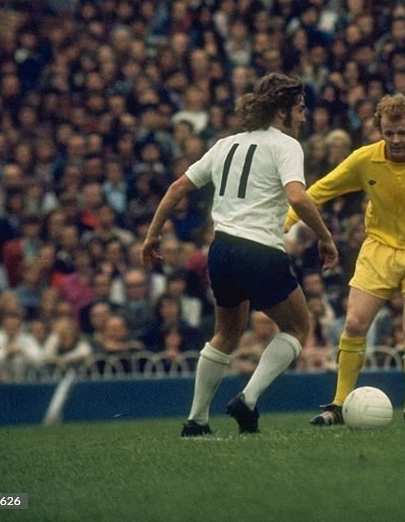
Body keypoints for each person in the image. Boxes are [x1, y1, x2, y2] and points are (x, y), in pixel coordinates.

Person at [141, 73, 338, 436]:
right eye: (300, 108)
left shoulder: (224, 145)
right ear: (282, 111)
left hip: (221, 251)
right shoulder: (286, 145)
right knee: (297, 327)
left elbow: (177, 187)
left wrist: (152, 235)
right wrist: (325, 237)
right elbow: (296, 196)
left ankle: (196, 420)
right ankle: (247, 400)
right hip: (260, 249)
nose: (304, 117)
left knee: (226, 334)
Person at [285, 94, 405, 424]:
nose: (396, 140)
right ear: (380, 131)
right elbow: (321, 190)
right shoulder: (365, 160)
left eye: (403, 132)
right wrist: (287, 221)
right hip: (379, 249)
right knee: (354, 323)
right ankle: (338, 404)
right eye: (389, 133)